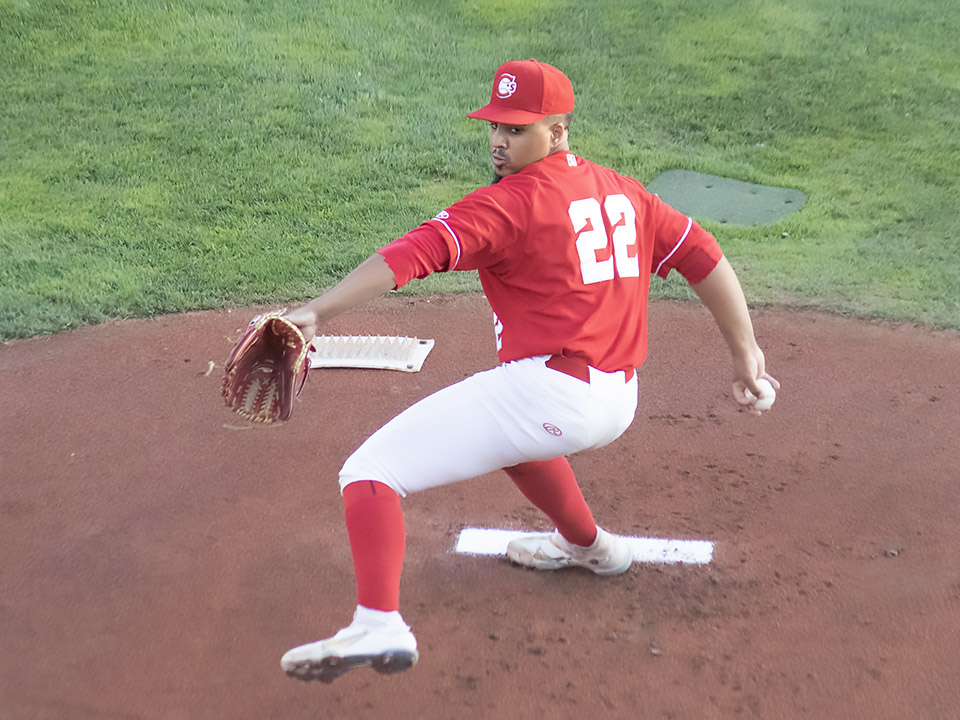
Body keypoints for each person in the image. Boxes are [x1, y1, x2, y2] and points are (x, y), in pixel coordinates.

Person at [279, 59, 780, 683]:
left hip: (552, 393)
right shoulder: (623, 191)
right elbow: (703, 255)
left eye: (517, 130)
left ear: (559, 131)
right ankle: (589, 546)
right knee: (513, 441)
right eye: (495, 125)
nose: (498, 140)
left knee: (370, 472)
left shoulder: (510, 205)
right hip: (615, 401)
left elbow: (413, 254)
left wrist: (316, 310)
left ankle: (377, 620)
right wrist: (746, 352)